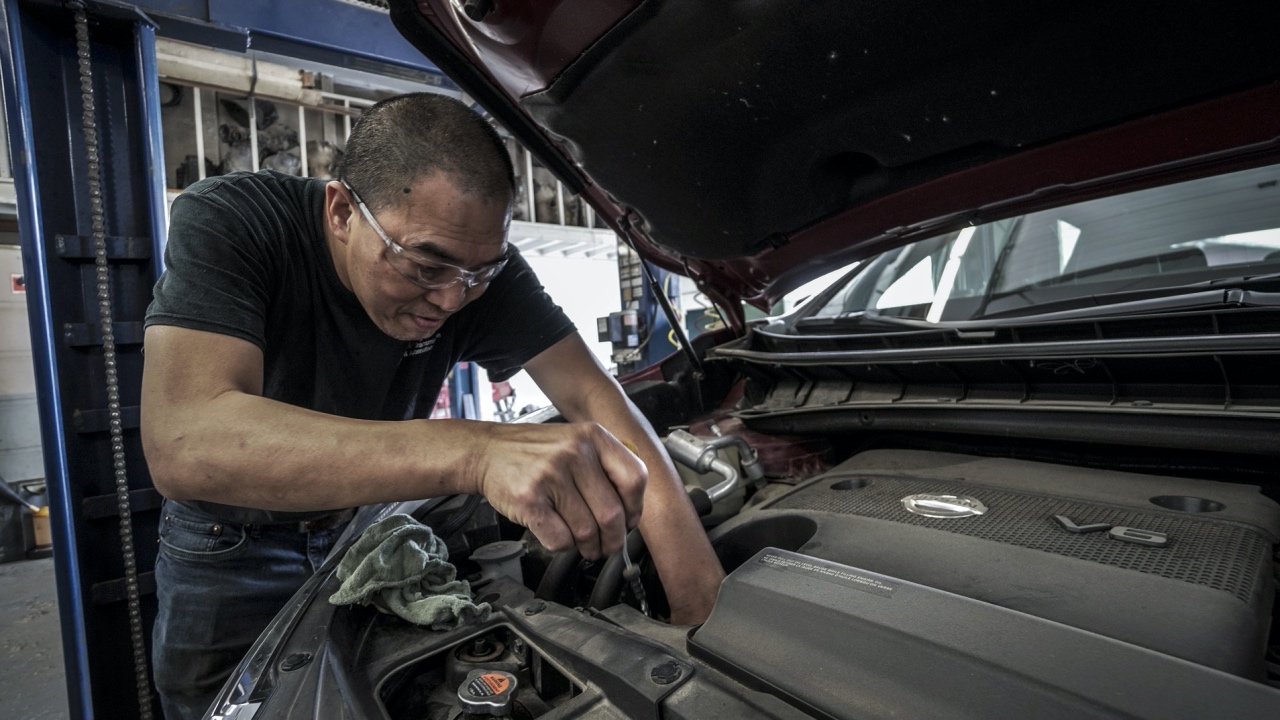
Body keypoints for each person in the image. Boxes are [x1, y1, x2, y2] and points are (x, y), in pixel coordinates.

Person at [140, 93, 724, 720]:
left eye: (479, 274)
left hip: (363, 529)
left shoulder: (476, 273)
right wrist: (473, 451)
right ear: (341, 211)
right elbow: (186, 440)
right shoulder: (237, 221)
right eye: (424, 267)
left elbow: (591, 396)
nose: (451, 300)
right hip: (230, 549)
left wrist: (700, 604)